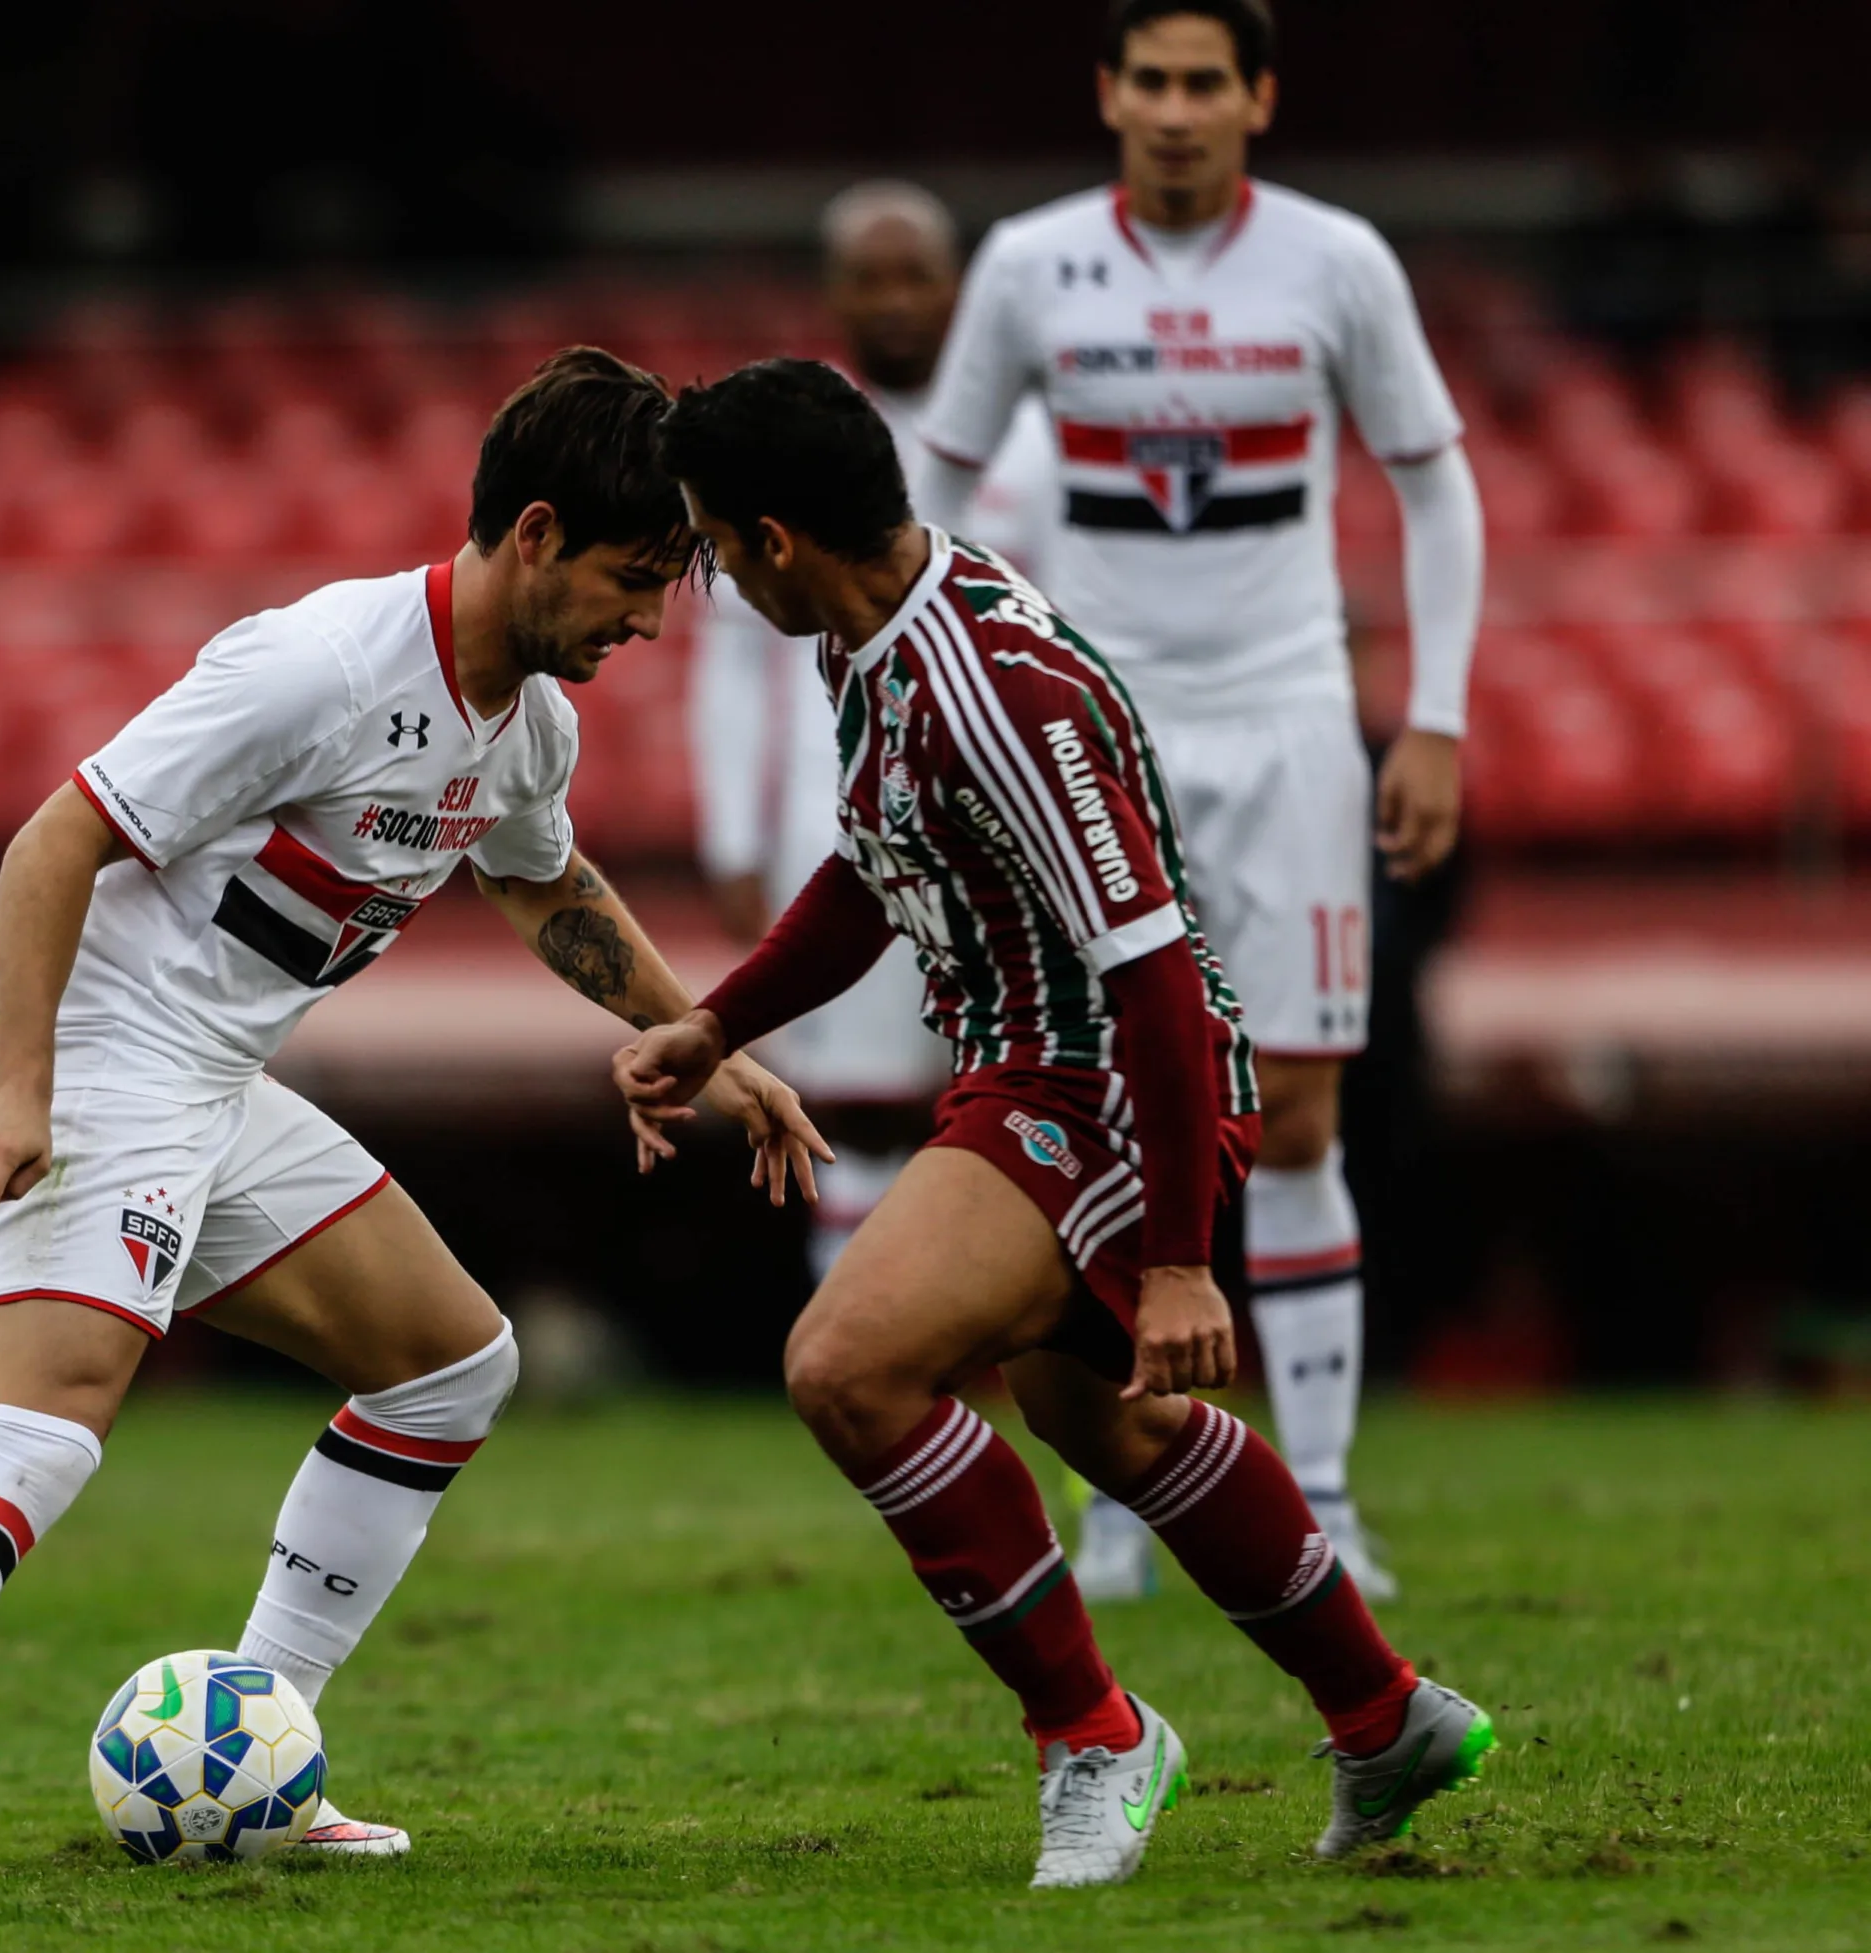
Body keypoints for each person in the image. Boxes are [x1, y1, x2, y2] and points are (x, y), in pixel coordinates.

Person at [0, 348, 829, 1889]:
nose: (648, 621)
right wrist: (22, 1087)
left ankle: (257, 1759)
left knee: (447, 1366)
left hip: (206, 1083)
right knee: (39, 1423)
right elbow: (54, 842)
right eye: (636, 580)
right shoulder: (322, 664)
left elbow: (539, 878)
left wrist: (704, 1035)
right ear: (537, 532)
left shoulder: (528, 725)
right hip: (90, 1050)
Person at [626, 359, 1491, 1889]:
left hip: (1102, 1080)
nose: (703, 576)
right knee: (1110, 1422)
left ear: (772, 538)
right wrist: (718, 1022)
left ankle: (1092, 1732)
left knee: (845, 1366)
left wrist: (1178, 1261)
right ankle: (1383, 1713)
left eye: (705, 541)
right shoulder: (872, 632)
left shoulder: (990, 688)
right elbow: (871, 866)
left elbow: (1154, 972)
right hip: (1028, 1065)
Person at [909, 0, 1485, 1601]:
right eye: (1148, 81)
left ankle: (1333, 1499)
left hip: (1292, 719)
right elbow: (937, 490)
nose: (1175, 109)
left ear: (1258, 99)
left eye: (1203, 83)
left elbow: (1435, 480)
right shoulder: (1028, 265)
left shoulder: (1336, 260)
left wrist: (1428, 719)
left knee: (1295, 1113)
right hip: (1098, 727)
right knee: (1094, 1100)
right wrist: (954, 688)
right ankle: (1122, 1484)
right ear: (1106, 94)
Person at [690, 181, 1055, 1284]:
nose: (895, 301)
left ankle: (1044, 1382)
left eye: (916, 275)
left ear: (959, 287)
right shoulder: (784, 442)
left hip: (1007, 811)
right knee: (854, 1105)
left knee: (1032, 1093)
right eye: (869, 278)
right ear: (834, 293)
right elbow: (733, 663)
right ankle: (880, 1401)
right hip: (837, 807)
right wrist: (729, 841)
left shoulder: (1032, 441)